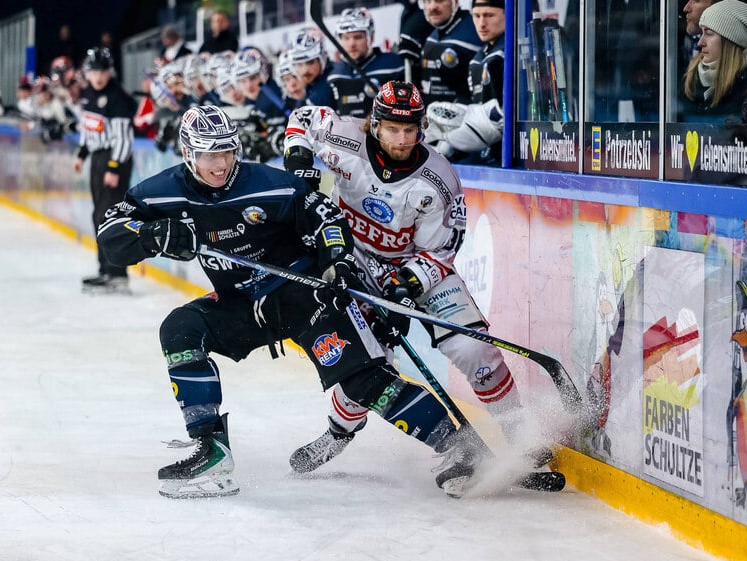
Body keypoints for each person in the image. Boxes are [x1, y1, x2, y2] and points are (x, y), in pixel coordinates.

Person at [96, 104, 490, 498]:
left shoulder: (270, 184)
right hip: (241, 303)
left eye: (227, 152)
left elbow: (327, 219)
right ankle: (210, 448)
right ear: (187, 154)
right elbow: (111, 231)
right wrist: (152, 236)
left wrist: (337, 262)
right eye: (208, 155)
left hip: (303, 294)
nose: (220, 164)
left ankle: (460, 446)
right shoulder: (162, 192)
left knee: (362, 382)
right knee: (180, 329)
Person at [283, 81, 544, 474]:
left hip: (418, 268)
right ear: (375, 124)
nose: (402, 139)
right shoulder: (346, 138)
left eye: (410, 130)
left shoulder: (439, 179)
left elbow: (440, 250)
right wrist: (298, 155)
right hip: (354, 265)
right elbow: (303, 118)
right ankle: (336, 437)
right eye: (393, 129)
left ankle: (521, 436)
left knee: (475, 350)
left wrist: (407, 284)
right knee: (369, 367)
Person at [73, 47, 137, 293]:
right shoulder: (90, 94)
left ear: (110, 72)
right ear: (87, 73)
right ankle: (105, 270)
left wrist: (114, 167)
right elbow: (88, 128)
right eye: (94, 71)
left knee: (109, 217)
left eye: (103, 71)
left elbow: (123, 139)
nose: (98, 76)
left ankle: (117, 273)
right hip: (98, 159)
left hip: (113, 161)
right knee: (98, 216)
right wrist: (82, 153)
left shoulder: (116, 97)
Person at [426, 0, 506, 164]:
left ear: (508, 15)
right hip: (486, 156)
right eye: (476, 16)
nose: (482, 23)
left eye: (489, 15)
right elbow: (475, 100)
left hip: (509, 156)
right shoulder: (479, 56)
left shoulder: (510, 52)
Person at [680, 0, 747, 123]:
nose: (700, 42)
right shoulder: (690, 78)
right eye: (702, 32)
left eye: (709, 33)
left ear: (731, 40)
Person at [325, 7, 403, 118]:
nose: (351, 44)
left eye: (357, 37)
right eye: (346, 38)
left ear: (370, 37)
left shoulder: (394, 65)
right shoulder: (334, 74)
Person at [418, 0, 481, 104]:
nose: (432, 7)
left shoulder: (474, 34)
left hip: (465, 117)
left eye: (439, 1)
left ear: (455, 2)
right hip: (431, 116)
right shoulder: (433, 35)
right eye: (428, 1)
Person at [290, 29, 333, 107]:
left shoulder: (326, 88)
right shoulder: (310, 86)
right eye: (299, 64)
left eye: (310, 62)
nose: (305, 70)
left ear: (322, 59)